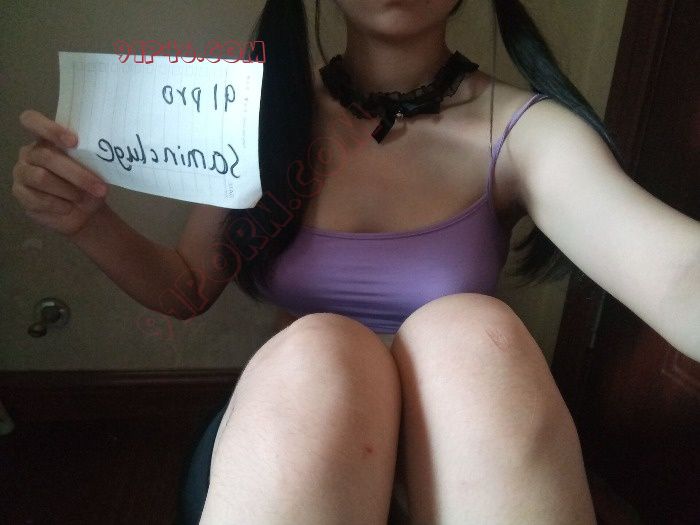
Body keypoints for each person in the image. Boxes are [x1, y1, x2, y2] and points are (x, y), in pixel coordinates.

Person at [11, 0, 699, 523]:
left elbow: (678, 273)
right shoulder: (254, 116)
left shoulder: (527, 133)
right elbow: (186, 288)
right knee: (321, 347)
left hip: (470, 454)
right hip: (292, 440)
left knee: (469, 332)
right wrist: (87, 221)